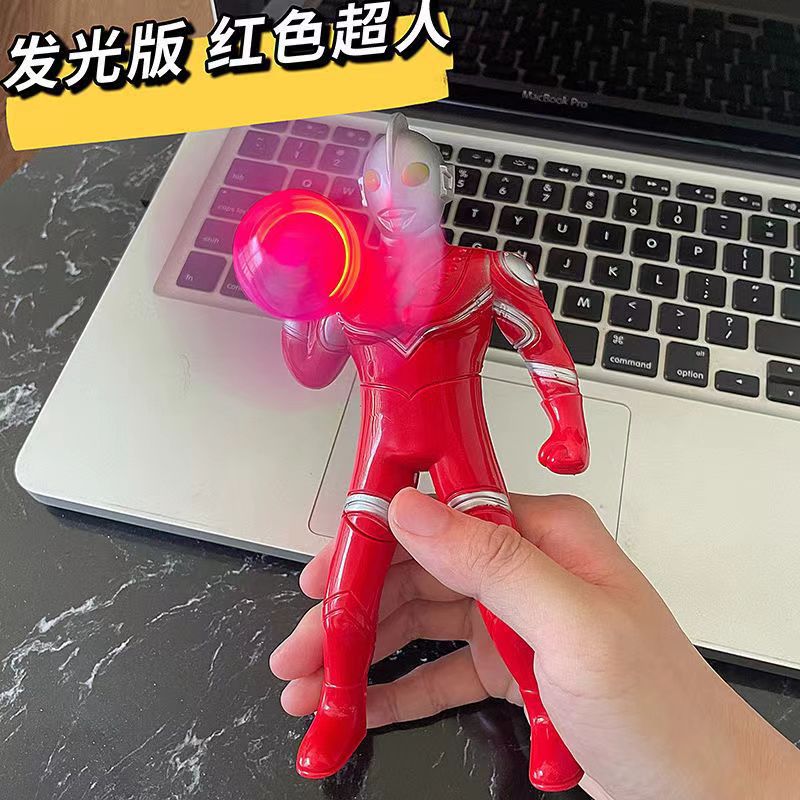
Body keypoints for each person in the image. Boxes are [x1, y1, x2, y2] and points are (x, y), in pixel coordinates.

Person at [270, 488, 800, 799]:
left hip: (462, 452)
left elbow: (540, 341)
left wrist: (565, 421)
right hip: (385, 449)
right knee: (352, 586)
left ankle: (546, 717)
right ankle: (339, 707)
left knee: (504, 597)